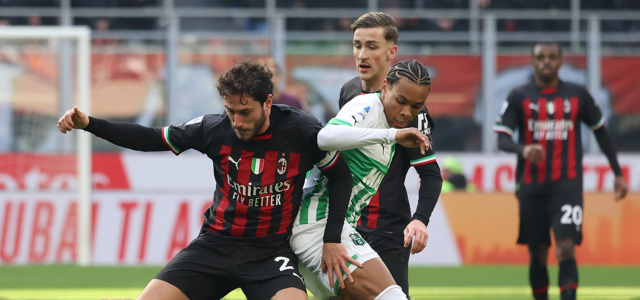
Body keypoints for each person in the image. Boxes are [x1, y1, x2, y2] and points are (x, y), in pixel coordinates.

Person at [56, 60, 355, 300]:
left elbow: (340, 176)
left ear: (268, 102)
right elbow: (150, 138)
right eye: (230, 111)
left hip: (270, 253)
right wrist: (89, 124)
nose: (237, 122)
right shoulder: (213, 129)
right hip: (214, 246)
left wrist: (331, 239)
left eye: (245, 112)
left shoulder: (301, 130)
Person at [494, 41, 629, 300]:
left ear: (561, 61)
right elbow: (501, 137)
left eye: (552, 57)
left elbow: (601, 132)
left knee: (566, 248)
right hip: (531, 186)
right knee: (538, 254)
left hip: (567, 185)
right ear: (532, 62)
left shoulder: (578, 94)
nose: (546, 61)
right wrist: (523, 150)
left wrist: (618, 173)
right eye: (540, 57)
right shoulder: (519, 95)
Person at [291, 59, 432, 300]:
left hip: (330, 228)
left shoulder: (388, 124)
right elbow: (325, 137)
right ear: (385, 87)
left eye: (416, 106)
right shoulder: (367, 106)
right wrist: (392, 135)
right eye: (401, 101)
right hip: (317, 227)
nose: (407, 112)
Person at [338, 12, 443, 298]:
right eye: (357, 45)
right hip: (345, 227)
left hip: (386, 232)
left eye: (371, 46)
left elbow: (430, 173)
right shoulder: (348, 92)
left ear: (391, 52)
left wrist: (420, 219)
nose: (362, 54)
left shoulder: (410, 107)